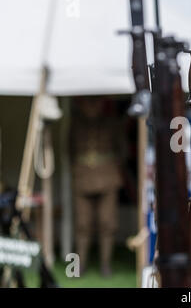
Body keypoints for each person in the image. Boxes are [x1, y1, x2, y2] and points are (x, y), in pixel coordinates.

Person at [70, 97, 124, 277]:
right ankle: (80, 264)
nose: (92, 106)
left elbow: (122, 149)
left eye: (96, 102)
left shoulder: (111, 123)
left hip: (107, 177)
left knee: (107, 223)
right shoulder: (75, 124)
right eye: (88, 102)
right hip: (82, 177)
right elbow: (68, 149)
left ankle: (105, 264)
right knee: (82, 224)